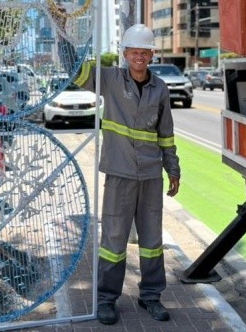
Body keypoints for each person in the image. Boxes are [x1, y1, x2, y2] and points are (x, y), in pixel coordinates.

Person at [73, 23, 180, 325]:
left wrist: (173, 168)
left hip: (150, 175)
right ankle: (107, 300)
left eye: (144, 52)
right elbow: (77, 73)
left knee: (152, 240)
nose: (139, 57)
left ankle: (151, 297)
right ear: (125, 54)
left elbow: (166, 134)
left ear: (152, 55)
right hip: (119, 173)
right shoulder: (110, 79)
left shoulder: (160, 88)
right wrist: (64, 33)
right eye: (134, 51)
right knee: (114, 239)